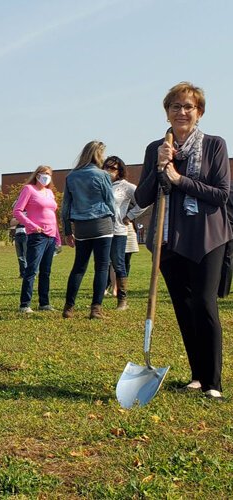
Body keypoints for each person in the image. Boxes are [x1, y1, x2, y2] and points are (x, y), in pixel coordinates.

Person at [135, 82, 231, 400]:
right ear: (167, 113)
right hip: (168, 241)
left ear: (199, 113)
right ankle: (197, 376)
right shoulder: (156, 149)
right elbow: (143, 196)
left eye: (189, 106)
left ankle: (213, 382)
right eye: (175, 106)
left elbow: (220, 194)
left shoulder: (215, 146)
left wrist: (179, 179)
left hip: (207, 237)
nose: (182, 112)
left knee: (203, 305)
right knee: (184, 308)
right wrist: (160, 166)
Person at [61, 141, 115, 320]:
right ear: (98, 154)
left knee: (78, 267)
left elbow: (66, 207)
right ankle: (96, 309)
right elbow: (109, 201)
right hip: (102, 223)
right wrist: (113, 220)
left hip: (81, 225)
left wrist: (67, 230)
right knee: (101, 267)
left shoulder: (71, 176)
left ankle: (69, 307)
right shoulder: (103, 175)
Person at [13, 165, 62, 313]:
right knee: (32, 270)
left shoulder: (49, 193)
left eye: (49, 174)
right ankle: (25, 304)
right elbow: (17, 211)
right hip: (37, 236)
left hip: (51, 236)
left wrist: (58, 238)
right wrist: (32, 226)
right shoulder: (29, 189)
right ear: (37, 175)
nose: (46, 176)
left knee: (46, 271)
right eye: (43, 173)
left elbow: (53, 216)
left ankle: (44, 303)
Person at [102, 156, 146, 310]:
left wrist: (130, 216)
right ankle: (98, 299)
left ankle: (122, 300)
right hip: (100, 230)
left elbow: (143, 201)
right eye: (106, 167)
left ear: (120, 170)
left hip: (117, 230)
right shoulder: (100, 184)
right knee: (101, 264)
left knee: (118, 263)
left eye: (112, 168)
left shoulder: (126, 187)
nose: (108, 171)